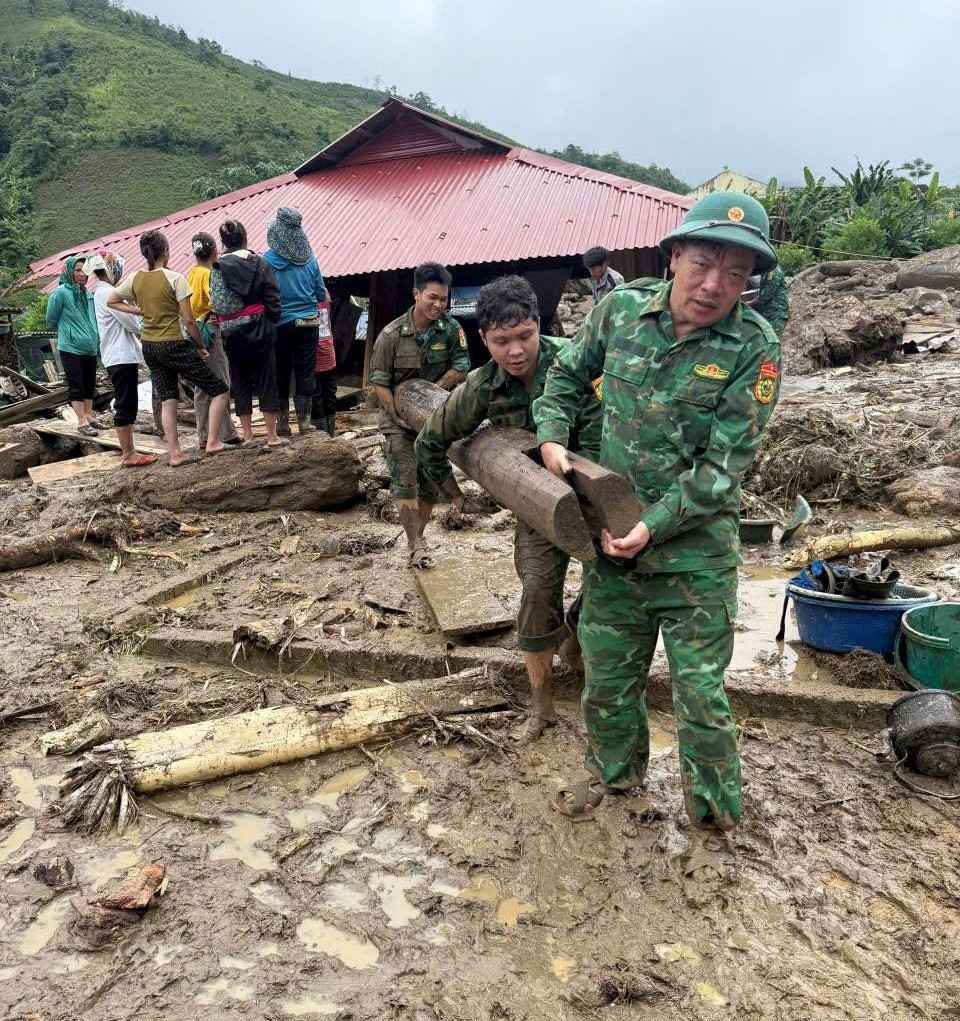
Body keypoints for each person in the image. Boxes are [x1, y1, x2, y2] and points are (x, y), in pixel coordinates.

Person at [534, 192, 782, 829]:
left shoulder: (753, 348)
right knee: (608, 684)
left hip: (695, 562)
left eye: (735, 274)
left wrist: (654, 525)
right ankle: (615, 782)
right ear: (673, 256)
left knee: (700, 697)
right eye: (702, 264)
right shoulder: (619, 311)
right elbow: (565, 374)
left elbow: (722, 469)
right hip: (614, 549)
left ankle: (715, 821)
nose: (714, 285)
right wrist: (553, 435)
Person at [415, 276, 601, 743]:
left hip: (600, 496)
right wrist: (456, 496)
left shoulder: (579, 362)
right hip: (539, 506)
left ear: (539, 325)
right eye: (501, 342)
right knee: (537, 593)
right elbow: (431, 440)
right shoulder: (481, 386)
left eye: (524, 336)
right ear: (484, 339)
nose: (515, 351)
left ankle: (577, 635)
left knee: (609, 589)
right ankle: (542, 708)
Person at [369, 262, 471, 563]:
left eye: (444, 299)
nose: (439, 305)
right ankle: (416, 545)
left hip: (434, 418)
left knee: (429, 484)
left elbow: (462, 366)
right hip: (397, 421)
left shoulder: (451, 329)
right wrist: (396, 414)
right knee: (405, 479)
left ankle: (419, 536)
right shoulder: (391, 335)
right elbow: (379, 382)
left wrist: (431, 391)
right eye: (432, 298)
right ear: (416, 294)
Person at [108, 230, 230, 467]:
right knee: (219, 390)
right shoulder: (175, 278)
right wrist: (200, 346)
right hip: (173, 343)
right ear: (165, 251)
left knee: (168, 399)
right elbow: (189, 321)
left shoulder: (134, 278)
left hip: (149, 346)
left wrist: (139, 311)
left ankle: (175, 453)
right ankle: (213, 441)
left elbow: (111, 300)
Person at [209, 219, 286, 446]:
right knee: (267, 380)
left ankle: (249, 435)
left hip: (232, 333)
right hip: (260, 328)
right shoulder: (260, 263)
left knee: (240, 380)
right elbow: (273, 298)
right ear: (245, 238)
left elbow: (217, 303)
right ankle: (271, 436)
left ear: (224, 242)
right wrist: (270, 321)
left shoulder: (218, 267)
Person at [86, 251, 156, 468]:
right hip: (120, 355)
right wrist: (145, 313)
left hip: (116, 354)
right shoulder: (108, 293)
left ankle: (130, 451)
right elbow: (132, 324)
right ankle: (128, 454)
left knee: (126, 401)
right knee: (126, 403)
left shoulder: (100, 292)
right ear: (111, 270)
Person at [263, 207, 328, 436]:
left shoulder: (267, 260)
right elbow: (321, 294)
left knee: (280, 371)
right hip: (308, 323)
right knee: (305, 371)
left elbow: (263, 294)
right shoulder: (311, 260)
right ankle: (304, 423)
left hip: (280, 324)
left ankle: (282, 425)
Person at [187, 232, 242, 448]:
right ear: (214, 251)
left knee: (203, 385)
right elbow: (216, 302)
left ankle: (210, 433)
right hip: (210, 331)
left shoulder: (191, 274)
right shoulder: (208, 275)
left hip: (194, 331)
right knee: (221, 383)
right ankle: (219, 435)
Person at [46, 255, 101, 436]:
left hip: (90, 346)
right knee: (76, 384)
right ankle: (82, 421)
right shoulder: (60, 293)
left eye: (84, 271)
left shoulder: (88, 293)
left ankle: (89, 415)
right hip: (71, 347)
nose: (82, 274)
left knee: (89, 383)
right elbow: (51, 319)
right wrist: (70, 330)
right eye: (78, 270)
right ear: (69, 272)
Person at [310, 303, 337, 437]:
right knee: (320, 396)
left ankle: (327, 434)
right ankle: (323, 435)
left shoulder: (318, 299)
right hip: (316, 354)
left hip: (324, 353)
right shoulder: (322, 298)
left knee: (324, 395)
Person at [747, 266, 790, 338]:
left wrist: (747, 304)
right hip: (767, 314)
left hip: (776, 313)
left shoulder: (773, 271)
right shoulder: (765, 271)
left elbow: (766, 296)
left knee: (772, 339)